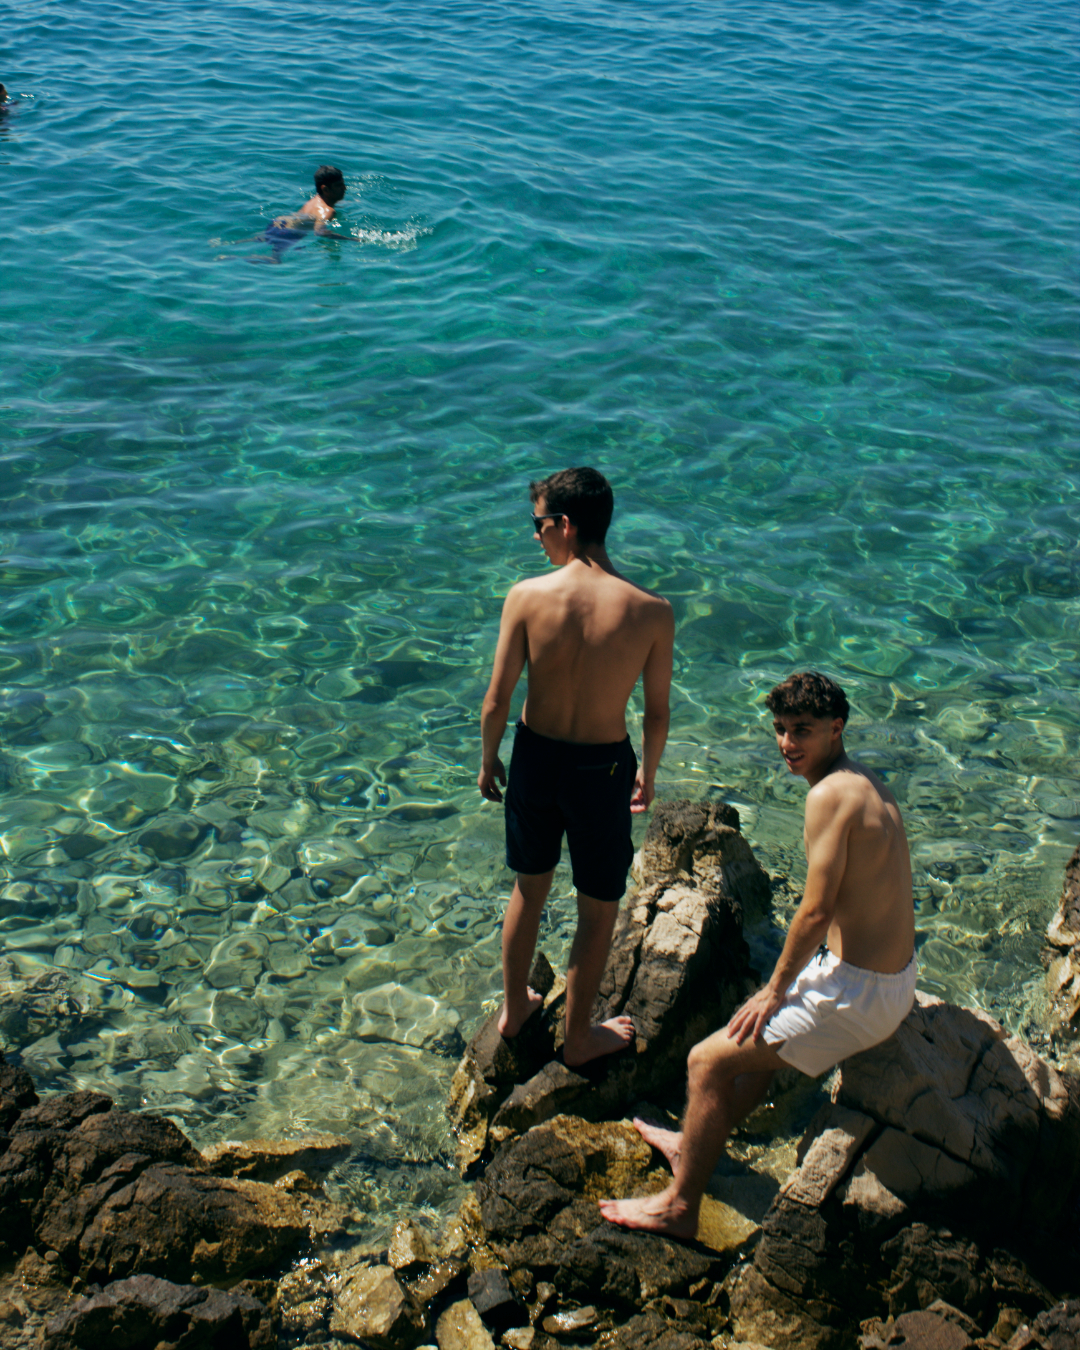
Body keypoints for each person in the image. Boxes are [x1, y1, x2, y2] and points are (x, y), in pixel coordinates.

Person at [599, 671, 916, 1236]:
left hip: (858, 992)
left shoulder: (827, 797)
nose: (788, 744)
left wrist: (775, 989)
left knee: (705, 1060)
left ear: (836, 728)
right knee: (752, 1041)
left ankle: (678, 1206)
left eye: (803, 731)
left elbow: (815, 912)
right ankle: (695, 1138)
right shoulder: (865, 780)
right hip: (888, 981)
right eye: (780, 730)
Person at [478, 467, 674, 1067]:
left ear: (565, 525)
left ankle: (514, 1012)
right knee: (598, 906)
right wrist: (651, 772)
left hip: (535, 757)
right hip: (601, 770)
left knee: (528, 890)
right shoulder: (652, 611)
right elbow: (657, 714)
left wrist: (489, 759)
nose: (535, 538)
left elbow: (497, 699)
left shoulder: (527, 597)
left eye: (538, 526)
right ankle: (579, 1037)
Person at [255, 165, 355, 262]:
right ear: (325, 189)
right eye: (339, 185)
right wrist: (349, 239)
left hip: (278, 223)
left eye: (343, 184)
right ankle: (244, 260)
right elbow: (319, 232)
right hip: (289, 233)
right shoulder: (328, 211)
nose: (344, 188)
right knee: (275, 259)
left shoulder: (316, 200)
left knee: (260, 240)